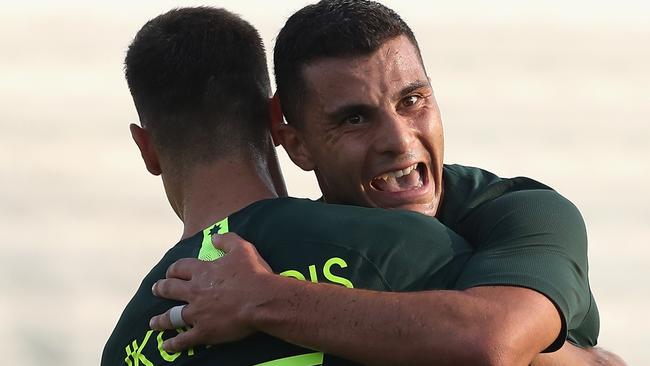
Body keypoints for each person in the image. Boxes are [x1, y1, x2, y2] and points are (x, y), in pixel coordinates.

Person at [149, 1, 624, 365]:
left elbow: (491, 342)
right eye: (355, 118)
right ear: (295, 144)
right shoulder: (282, 250)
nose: (399, 140)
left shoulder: (523, 211)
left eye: (413, 100)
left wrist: (265, 301)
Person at [101, 6, 481, 366]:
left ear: (146, 148)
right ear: (276, 118)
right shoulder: (404, 244)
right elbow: (498, 342)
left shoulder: (127, 344)